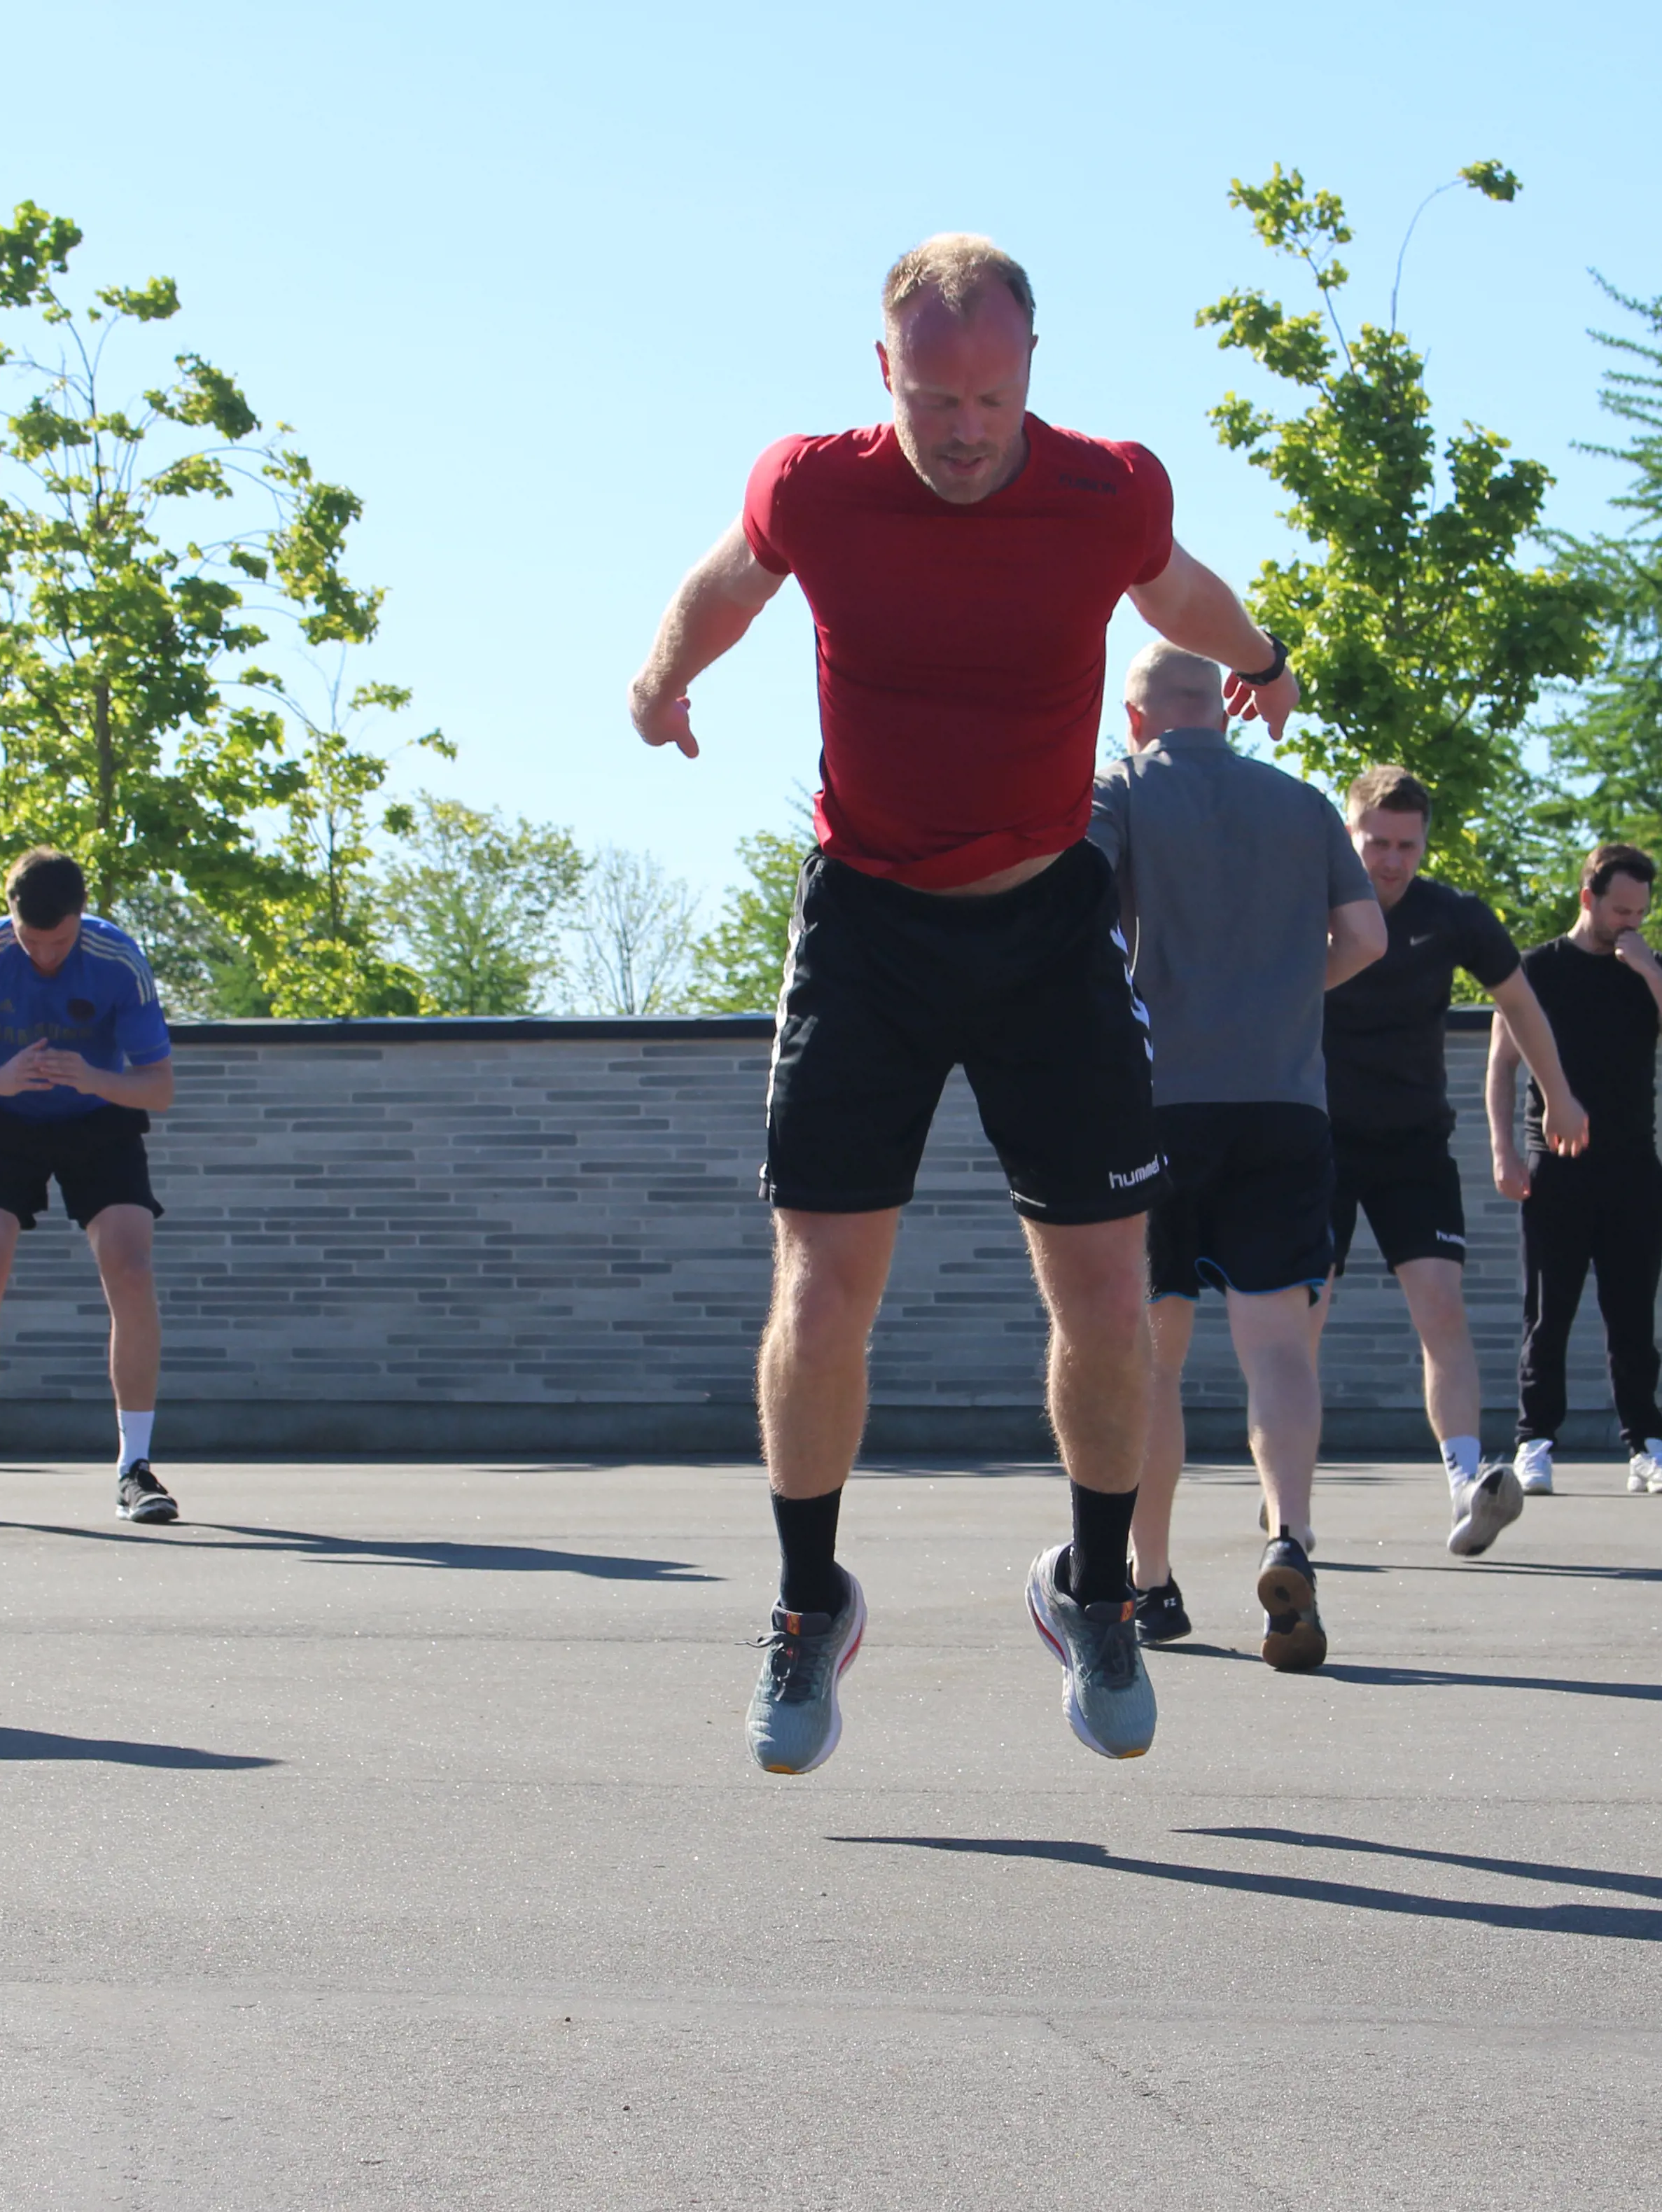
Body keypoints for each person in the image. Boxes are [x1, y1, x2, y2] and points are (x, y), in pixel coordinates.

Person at [629, 232, 1302, 1773]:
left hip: (1047, 929)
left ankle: (1097, 1590)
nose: (961, 429)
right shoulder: (815, 484)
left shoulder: (1105, 489)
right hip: (866, 926)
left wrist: (1260, 651)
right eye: (934, 398)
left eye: (989, 398)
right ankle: (810, 1607)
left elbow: (1176, 586)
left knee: (1109, 1296)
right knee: (819, 1289)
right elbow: (724, 584)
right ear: (887, 376)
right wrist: (660, 682)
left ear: (1030, 377)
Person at [1088, 642, 1384, 1669]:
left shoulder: (1120, 790)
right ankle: (1288, 1534)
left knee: (1152, 1360)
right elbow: (1369, 940)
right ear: (1221, 707)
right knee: (1276, 1346)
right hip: (1283, 1106)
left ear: (1135, 719)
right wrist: (1290, 1001)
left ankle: (1154, 1584)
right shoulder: (1302, 803)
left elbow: (1079, 917)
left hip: (1158, 1108)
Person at [1313, 765, 1588, 1559]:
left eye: (1407, 845)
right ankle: (1284, 1496)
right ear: (1350, 833)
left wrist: (1558, 1094)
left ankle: (1468, 1488)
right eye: (1377, 844)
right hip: (1317, 1143)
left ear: (1425, 842)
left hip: (1412, 1145)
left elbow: (1522, 1004)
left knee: (1442, 1310)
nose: (1392, 861)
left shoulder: (1454, 916)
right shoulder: (1311, 905)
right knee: (1302, 1317)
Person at [0, 847, 181, 1530]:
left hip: (97, 1117)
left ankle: (135, 1468)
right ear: (10, 918)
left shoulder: (118, 960)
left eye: (55, 943)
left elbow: (160, 1087)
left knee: (132, 1268)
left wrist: (91, 1078)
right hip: (3, 1119)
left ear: (80, 919)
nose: (43, 956)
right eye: (30, 942)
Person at [1488, 844, 1662, 1497]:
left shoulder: (1646, 966)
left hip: (1634, 1169)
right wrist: (1503, 1151)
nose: (1630, 921)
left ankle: (1647, 1445)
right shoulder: (1537, 969)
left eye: (1640, 911)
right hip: (1556, 1169)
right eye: (1620, 910)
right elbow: (1501, 1066)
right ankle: (1535, 1443)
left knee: (1633, 1316)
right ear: (1589, 899)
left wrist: (1649, 971)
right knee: (1547, 1314)